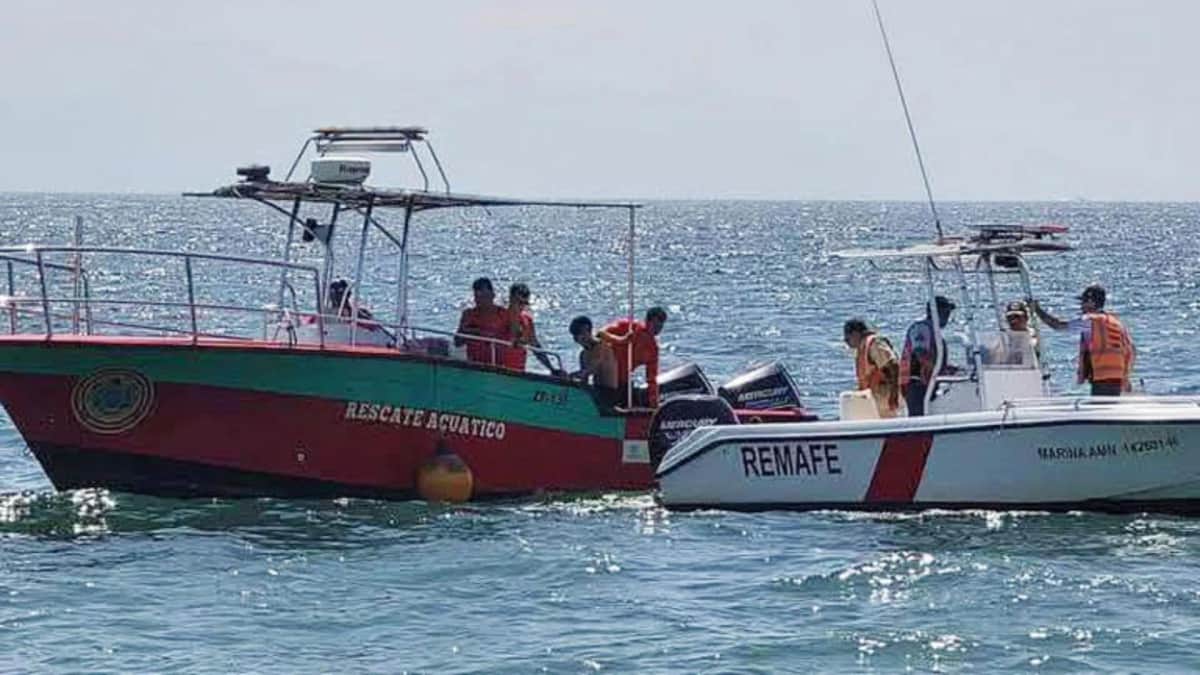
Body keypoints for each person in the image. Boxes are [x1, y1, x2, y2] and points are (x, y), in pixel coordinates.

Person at [1031, 284, 1135, 396]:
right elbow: (1131, 350)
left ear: (1091, 302)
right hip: (1117, 376)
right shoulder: (1116, 323)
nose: (1081, 306)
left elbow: (1058, 326)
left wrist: (1037, 310)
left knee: (1101, 409)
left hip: (1102, 376)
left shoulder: (1090, 320)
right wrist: (1126, 376)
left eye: (1083, 302)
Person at [599, 306, 667, 407]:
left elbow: (651, 379)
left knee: (635, 403)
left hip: (623, 382)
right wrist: (621, 339)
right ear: (647, 321)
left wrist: (654, 403)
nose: (657, 329)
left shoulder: (653, 349)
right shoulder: (629, 327)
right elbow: (600, 333)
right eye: (655, 325)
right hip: (606, 376)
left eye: (660, 326)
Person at [900, 295, 957, 416]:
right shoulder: (922, 328)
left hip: (928, 384)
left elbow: (933, 359)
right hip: (917, 385)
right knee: (918, 420)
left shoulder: (934, 331)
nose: (947, 317)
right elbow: (919, 353)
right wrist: (936, 371)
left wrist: (949, 370)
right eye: (945, 312)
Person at [843, 319, 902, 418]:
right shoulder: (862, 349)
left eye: (847, 339)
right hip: (875, 398)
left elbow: (893, 366)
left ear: (856, 334)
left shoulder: (874, 344)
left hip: (886, 398)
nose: (847, 343)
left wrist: (894, 394)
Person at [501, 283, 560, 374]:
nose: (521, 306)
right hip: (499, 369)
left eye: (525, 303)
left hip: (518, 372)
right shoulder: (501, 316)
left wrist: (551, 368)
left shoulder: (527, 321)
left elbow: (536, 347)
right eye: (519, 302)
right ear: (511, 299)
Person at [568, 316, 619, 406]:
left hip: (609, 392)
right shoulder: (583, 354)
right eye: (577, 335)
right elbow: (584, 381)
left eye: (583, 333)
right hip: (596, 390)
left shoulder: (601, 346)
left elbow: (591, 369)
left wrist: (571, 376)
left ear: (589, 332)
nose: (580, 337)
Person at [455, 277, 507, 365]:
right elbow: (457, 342)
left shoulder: (504, 314)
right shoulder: (468, 315)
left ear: (492, 295)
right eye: (477, 296)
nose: (479, 300)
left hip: (499, 365)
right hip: (475, 364)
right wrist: (475, 332)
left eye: (483, 296)